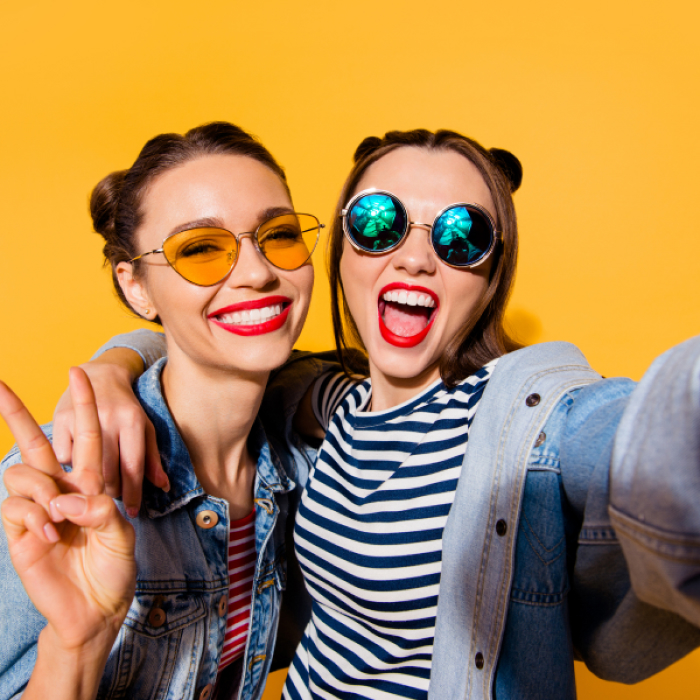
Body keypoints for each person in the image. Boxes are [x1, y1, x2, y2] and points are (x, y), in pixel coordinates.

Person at [41, 129, 700, 699]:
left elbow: (637, 435)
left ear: (492, 272)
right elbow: (216, 339)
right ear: (343, 251)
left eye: (461, 235)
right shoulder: (326, 405)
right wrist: (116, 365)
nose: (414, 256)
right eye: (379, 223)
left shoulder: (527, 429)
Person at [0, 121, 330, 700]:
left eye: (278, 234)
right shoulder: (62, 485)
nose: (257, 273)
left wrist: (119, 359)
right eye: (200, 249)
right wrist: (74, 647)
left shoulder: (308, 467)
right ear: (136, 288)